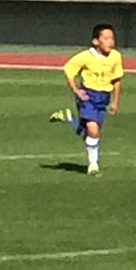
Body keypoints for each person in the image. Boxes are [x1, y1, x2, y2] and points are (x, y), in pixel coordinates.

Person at [49, 24, 124, 176]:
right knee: (93, 130)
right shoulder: (85, 56)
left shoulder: (116, 57)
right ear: (96, 41)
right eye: (106, 38)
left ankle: (69, 118)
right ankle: (93, 165)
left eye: (112, 38)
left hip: (103, 98)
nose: (110, 41)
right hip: (88, 95)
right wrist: (76, 90)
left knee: (92, 134)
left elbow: (116, 80)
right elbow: (69, 71)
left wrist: (115, 101)